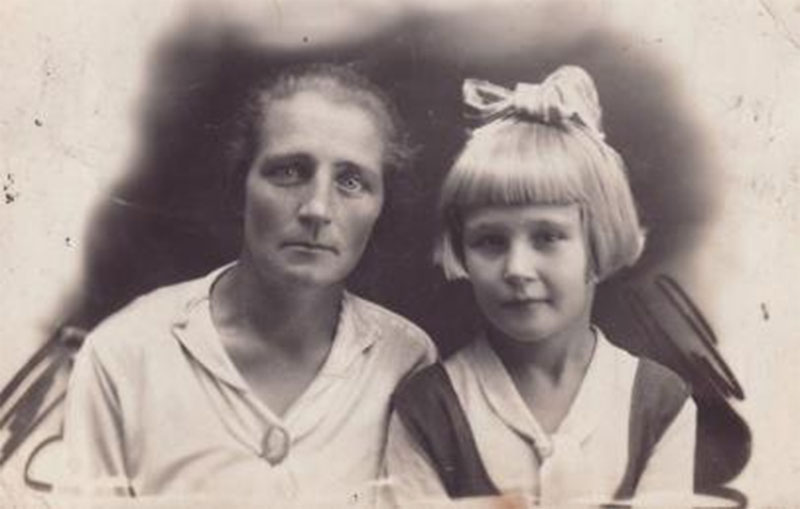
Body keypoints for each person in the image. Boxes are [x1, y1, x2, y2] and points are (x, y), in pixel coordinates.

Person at [61, 63, 436, 503]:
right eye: (290, 171)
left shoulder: (405, 361)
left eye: (351, 181)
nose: (317, 208)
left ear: (380, 207)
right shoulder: (126, 353)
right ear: (240, 187)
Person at [384, 66, 696, 506]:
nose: (517, 268)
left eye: (547, 237)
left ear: (598, 240)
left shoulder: (658, 401)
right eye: (490, 241)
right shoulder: (428, 409)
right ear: (463, 251)